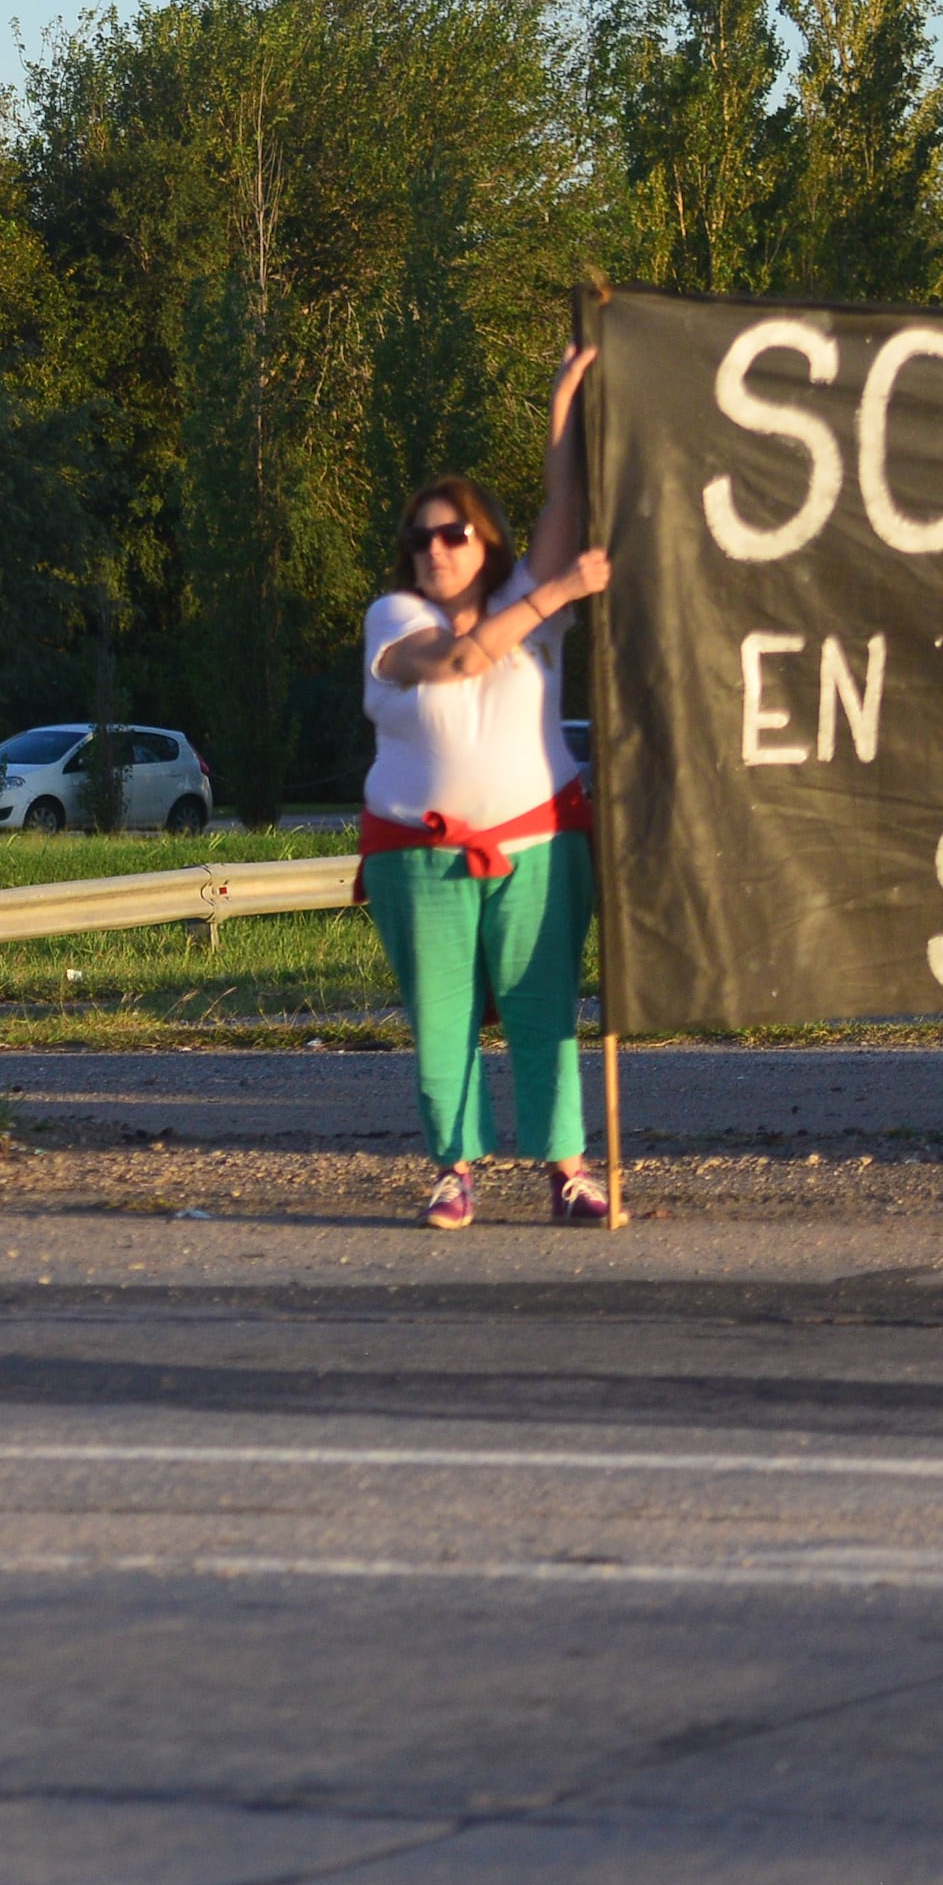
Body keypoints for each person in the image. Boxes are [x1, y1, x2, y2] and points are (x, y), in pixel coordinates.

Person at [368, 345, 615, 1232]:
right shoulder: (395, 620)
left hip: (540, 840)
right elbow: (463, 660)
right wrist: (557, 597)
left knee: (546, 1007)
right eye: (420, 538)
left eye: (452, 533)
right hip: (419, 849)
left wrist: (560, 407)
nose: (434, 549)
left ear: (486, 541)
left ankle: (570, 1171)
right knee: (443, 1014)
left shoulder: (527, 593)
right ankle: (453, 1170)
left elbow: (565, 505)